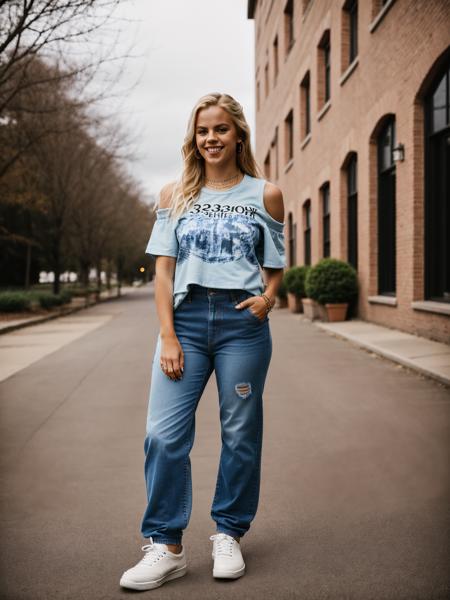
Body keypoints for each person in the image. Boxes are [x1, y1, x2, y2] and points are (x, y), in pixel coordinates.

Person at [120, 92, 286, 591]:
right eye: (202, 131)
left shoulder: (265, 194)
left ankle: (229, 532)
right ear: (194, 139)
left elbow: (274, 266)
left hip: (242, 325)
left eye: (220, 129)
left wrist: (269, 298)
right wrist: (168, 334)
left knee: (240, 433)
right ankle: (165, 545)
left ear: (238, 135)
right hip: (186, 323)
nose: (210, 138)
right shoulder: (175, 195)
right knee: (163, 436)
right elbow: (163, 273)